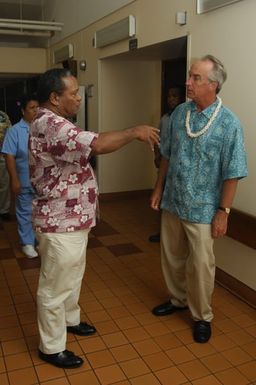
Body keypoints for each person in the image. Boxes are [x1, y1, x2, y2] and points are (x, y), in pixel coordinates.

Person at [29, 68, 159, 369]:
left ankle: (71, 320)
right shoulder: (52, 125)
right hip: (60, 223)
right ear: (54, 97)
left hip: (72, 219)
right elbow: (97, 144)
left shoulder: (56, 121)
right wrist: (134, 131)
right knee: (54, 286)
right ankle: (50, 346)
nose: (78, 98)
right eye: (73, 93)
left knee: (72, 277)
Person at [150, 55, 247, 343]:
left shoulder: (229, 124)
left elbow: (234, 172)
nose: (188, 82)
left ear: (213, 85)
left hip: (204, 209)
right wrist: (158, 189)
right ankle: (177, 299)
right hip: (173, 201)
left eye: (195, 78)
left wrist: (223, 212)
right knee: (171, 256)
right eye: (190, 76)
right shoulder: (180, 113)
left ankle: (202, 316)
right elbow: (167, 154)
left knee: (202, 264)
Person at [2, 95, 39, 258]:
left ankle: (38, 238)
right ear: (23, 111)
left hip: (43, 180)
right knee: (25, 211)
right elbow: (9, 155)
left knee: (40, 211)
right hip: (23, 179)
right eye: (32, 108)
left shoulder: (43, 128)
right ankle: (27, 243)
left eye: (38, 108)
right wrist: (14, 179)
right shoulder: (15, 130)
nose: (35, 111)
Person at [149, 87, 183, 243]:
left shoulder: (184, 117)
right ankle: (161, 231)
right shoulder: (165, 118)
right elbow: (158, 138)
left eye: (175, 96)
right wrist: (156, 155)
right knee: (161, 196)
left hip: (178, 166)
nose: (171, 99)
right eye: (169, 96)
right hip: (164, 161)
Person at [0, 111, 12, 221]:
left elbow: (10, 133)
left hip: (2, 156)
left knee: (4, 185)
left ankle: (4, 211)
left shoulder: (3, 116)